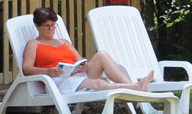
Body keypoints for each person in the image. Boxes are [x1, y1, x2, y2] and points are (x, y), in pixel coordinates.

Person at [22, 6, 153, 92]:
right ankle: (136, 87)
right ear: (37, 25)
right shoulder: (34, 44)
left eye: (53, 25)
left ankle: (131, 86)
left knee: (102, 54)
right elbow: (27, 69)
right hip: (59, 82)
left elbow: (82, 62)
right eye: (46, 26)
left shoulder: (64, 42)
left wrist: (82, 66)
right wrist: (48, 71)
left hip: (77, 76)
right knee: (98, 84)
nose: (51, 29)